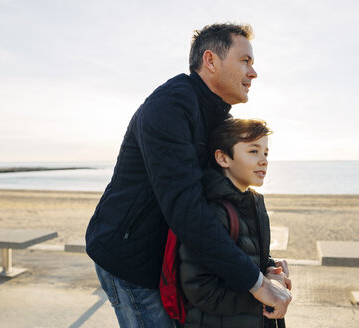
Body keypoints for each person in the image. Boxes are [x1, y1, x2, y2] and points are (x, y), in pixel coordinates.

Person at [85, 23, 291, 328]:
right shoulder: (168, 107)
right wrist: (257, 283)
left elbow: (221, 201)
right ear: (210, 60)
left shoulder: (217, 116)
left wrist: (264, 265)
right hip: (130, 258)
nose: (253, 72)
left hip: (170, 258)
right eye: (245, 61)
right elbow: (188, 210)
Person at [179, 118, 291, 328]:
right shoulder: (211, 211)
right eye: (253, 151)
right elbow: (200, 289)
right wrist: (265, 292)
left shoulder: (253, 201)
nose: (264, 160)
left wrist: (270, 267)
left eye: (266, 153)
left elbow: (248, 256)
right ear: (223, 158)